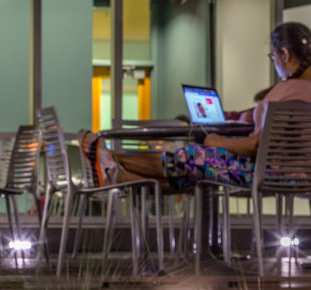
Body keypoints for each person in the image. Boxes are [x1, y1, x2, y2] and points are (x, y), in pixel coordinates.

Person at [112, 22, 311, 190]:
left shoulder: (286, 91)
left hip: (272, 174)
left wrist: (218, 142)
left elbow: (256, 145)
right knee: (192, 174)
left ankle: (113, 159)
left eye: (273, 56)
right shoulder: (299, 90)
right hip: (301, 176)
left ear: (284, 54)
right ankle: (113, 176)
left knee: (191, 156)